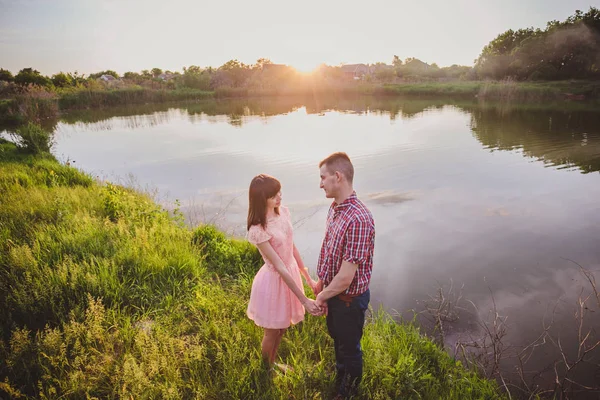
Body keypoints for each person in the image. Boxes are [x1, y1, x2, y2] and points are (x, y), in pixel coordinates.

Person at [313, 152, 375, 399]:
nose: (320, 184)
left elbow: (346, 278)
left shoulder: (359, 218)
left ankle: (348, 392)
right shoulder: (336, 208)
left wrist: (321, 297)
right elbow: (329, 250)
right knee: (338, 340)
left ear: (337, 177)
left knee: (350, 349)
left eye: (323, 178)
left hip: (348, 301)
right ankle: (341, 377)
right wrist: (321, 283)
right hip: (334, 294)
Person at [246, 174, 322, 372]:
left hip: (290, 276)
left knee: (282, 327)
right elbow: (279, 266)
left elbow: (291, 247)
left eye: (279, 191)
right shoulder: (258, 229)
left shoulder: (283, 213)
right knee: (272, 330)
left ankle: (272, 363)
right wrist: (304, 300)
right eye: (273, 195)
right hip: (274, 282)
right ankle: (266, 369)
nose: (279, 196)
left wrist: (307, 278)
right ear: (261, 199)